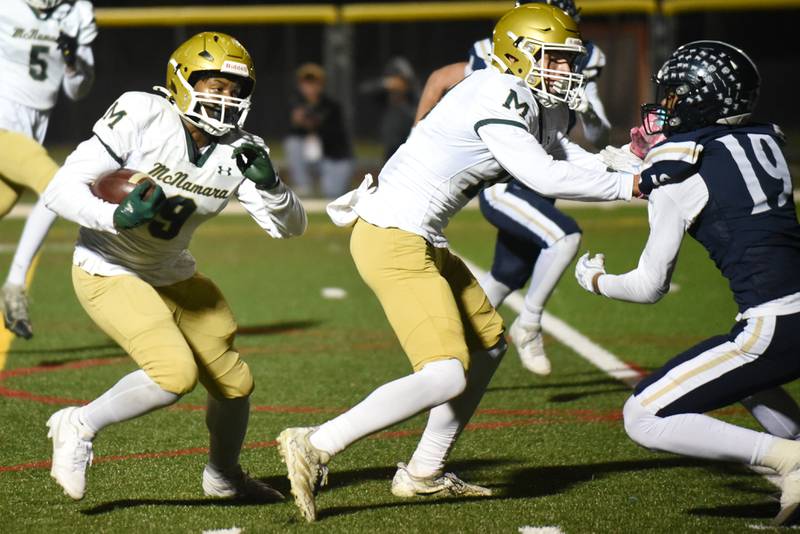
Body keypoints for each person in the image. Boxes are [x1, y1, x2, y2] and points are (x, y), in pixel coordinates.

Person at [277, 4, 637, 522]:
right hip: (393, 234)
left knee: (488, 345)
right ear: (519, 55)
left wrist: (618, 161)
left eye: (567, 61)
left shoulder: (530, 95)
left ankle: (424, 471)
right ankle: (315, 443)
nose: (566, 72)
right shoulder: (496, 91)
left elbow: (560, 150)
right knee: (446, 374)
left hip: (419, 235)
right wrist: (632, 184)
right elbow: (546, 176)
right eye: (554, 60)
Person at [42, 32, 306, 502]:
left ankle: (223, 477)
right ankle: (78, 424)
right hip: (108, 264)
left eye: (233, 90)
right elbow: (60, 188)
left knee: (234, 384)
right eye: (213, 85)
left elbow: (289, 228)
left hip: (171, 271)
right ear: (182, 80)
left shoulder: (242, 147)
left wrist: (273, 187)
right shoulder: (144, 113)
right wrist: (112, 217)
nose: (222, 99)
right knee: (173, 374)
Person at [575, 41, 800, 525]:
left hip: (774, 322)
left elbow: (648, 286)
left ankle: (791, 461)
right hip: (791, 314)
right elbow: (710, 171)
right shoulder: (765, 139)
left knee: (643, 416)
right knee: (749, 382)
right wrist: (640, 163)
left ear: (701, 99)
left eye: (674, 96)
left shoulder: (680, 163)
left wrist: (595, 280)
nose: (666, 106)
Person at [415, 0, 610, 376]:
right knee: (563, 236)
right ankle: (530, 323)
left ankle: (448, 346)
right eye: (555, 55)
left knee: (508, 274)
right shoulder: (494, 60)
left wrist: (587, 111)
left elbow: (590, 136)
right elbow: (450, 86)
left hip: (542, 172)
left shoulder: (583, 61)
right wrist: (419, 136)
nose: (565, 65)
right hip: (506, 178)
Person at [0, 0, 96, 339]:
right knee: (58, 186)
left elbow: (78, 90)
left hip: (29, 132)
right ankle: (15, 285)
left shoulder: (77, 11)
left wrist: (72, 62)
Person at [284, 63, 354, 198]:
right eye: (306, 83)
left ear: (321, 84)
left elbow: (334, 136)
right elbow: (292, 133)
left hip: (335, 158)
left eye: (313, 83)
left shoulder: (332, 106)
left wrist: (311, 123)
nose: (310, 87)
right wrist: (299, 122)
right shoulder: (295, 104)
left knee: (332, 195)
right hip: (314, 158)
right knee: (292, 144)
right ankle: (303, 185)